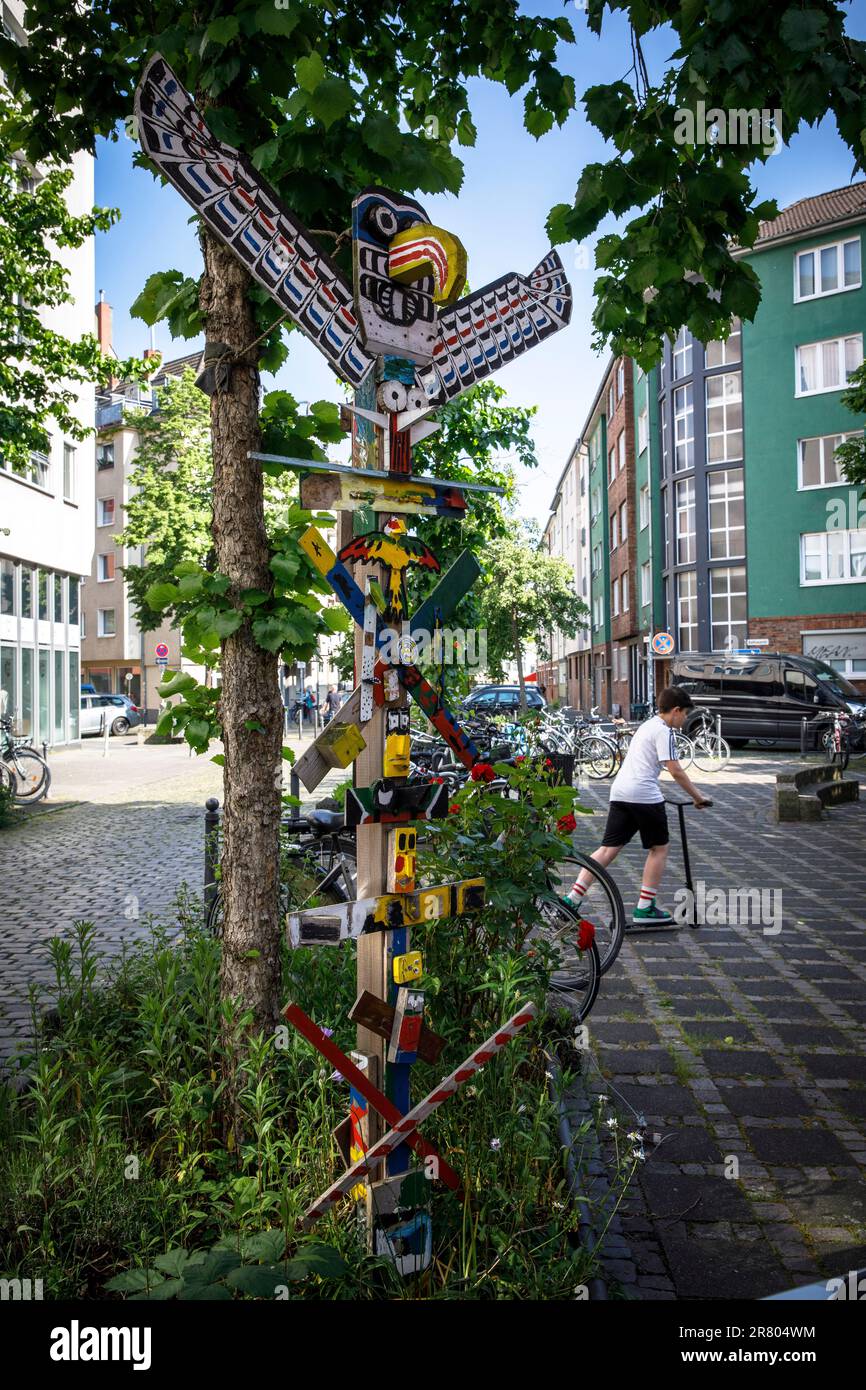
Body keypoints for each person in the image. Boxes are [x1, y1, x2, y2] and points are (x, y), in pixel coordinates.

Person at [564, 686, 711, 925]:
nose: (685, 719)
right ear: (675, 710)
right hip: (643, 795)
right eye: (685, 713)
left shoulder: (648, 725)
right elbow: (675, 770)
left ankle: (572, 899)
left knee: (607, 850)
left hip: (621, 791)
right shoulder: (664, 732)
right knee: (659, 849)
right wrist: (697, 797)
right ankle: (645, 908)